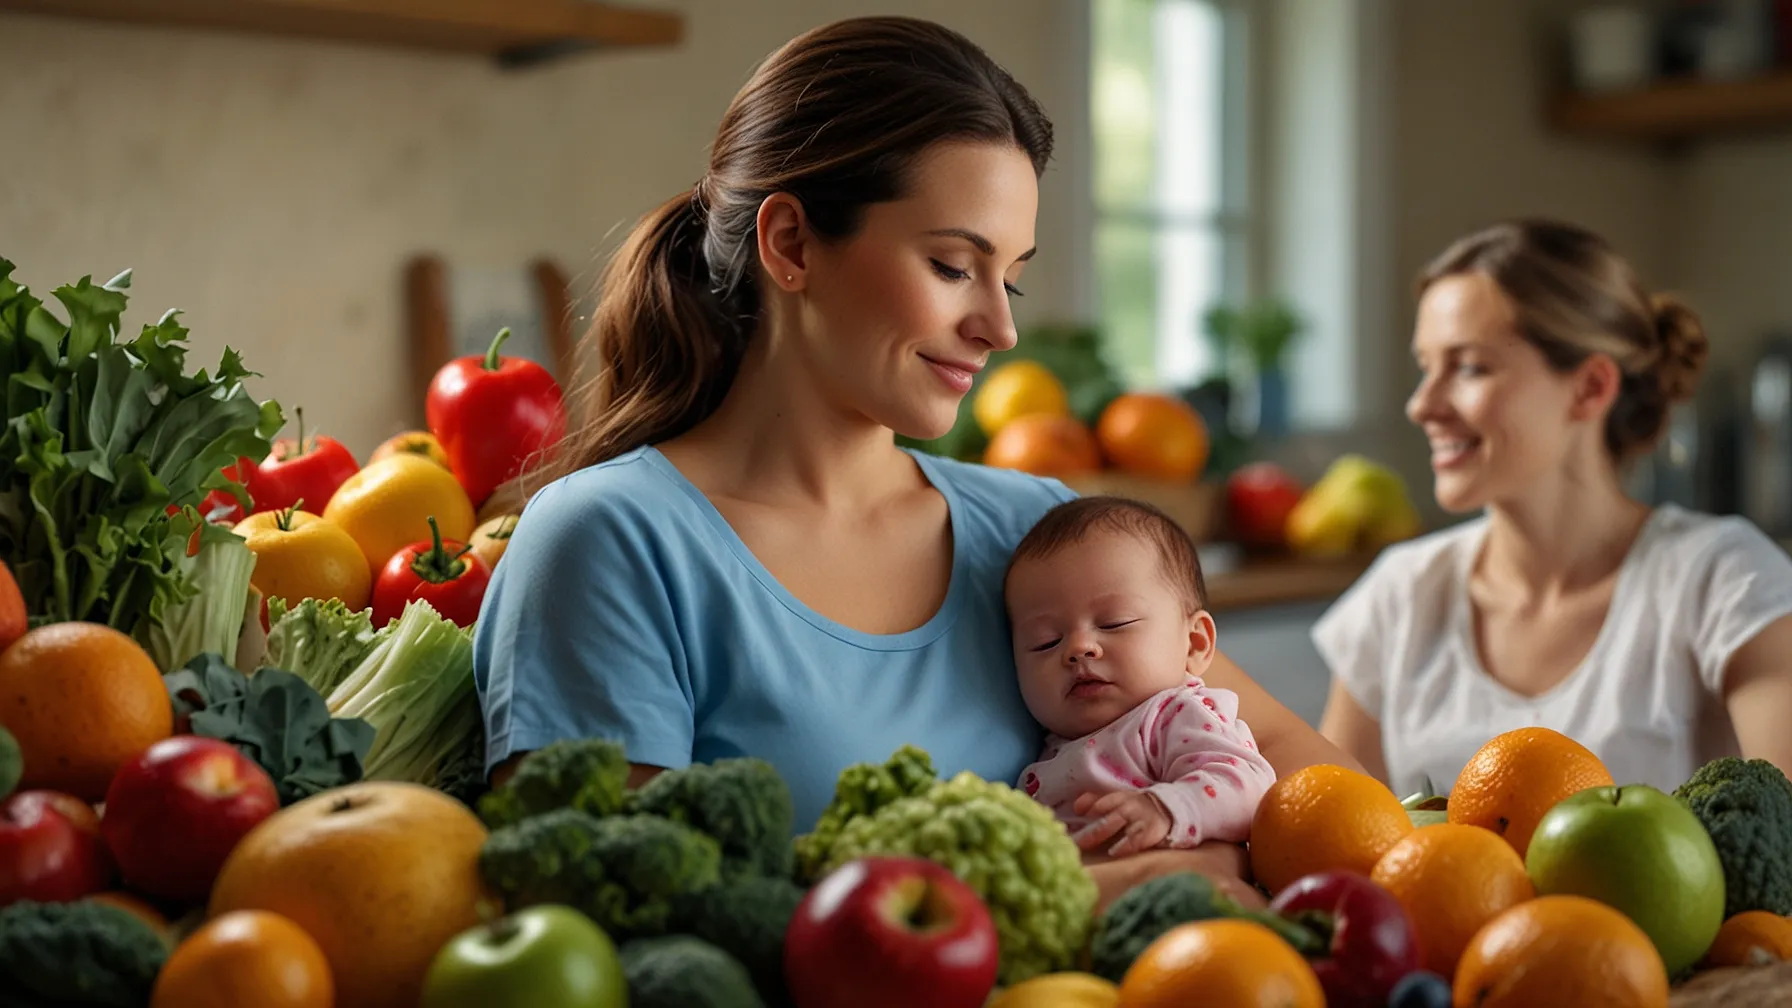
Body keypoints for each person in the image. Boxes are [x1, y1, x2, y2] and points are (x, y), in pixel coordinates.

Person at [472, 15, 1357, 909]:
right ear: (792, 245)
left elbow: (1331, 806)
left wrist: (1209, 857)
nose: (1000, 328)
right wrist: (1126, 889)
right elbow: (629, 923)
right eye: (951, 265)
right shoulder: (609, 544)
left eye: (1009, 278)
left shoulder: (1039, 535)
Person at [1314, 218, 1792, 798]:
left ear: (1590, 387)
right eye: (1426, 366)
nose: (1422, 404)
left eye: (1468, 367)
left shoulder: (1724, 582)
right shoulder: (1400, 596)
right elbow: (1328, 834)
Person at [1005, 497, 1278, 858]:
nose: (1078, 648)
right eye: (1046, 642)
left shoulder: (1174, 715)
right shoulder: (1050, 746)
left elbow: (1248, 784)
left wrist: (1167, 807)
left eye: (1114, 623)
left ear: (1195, 643)